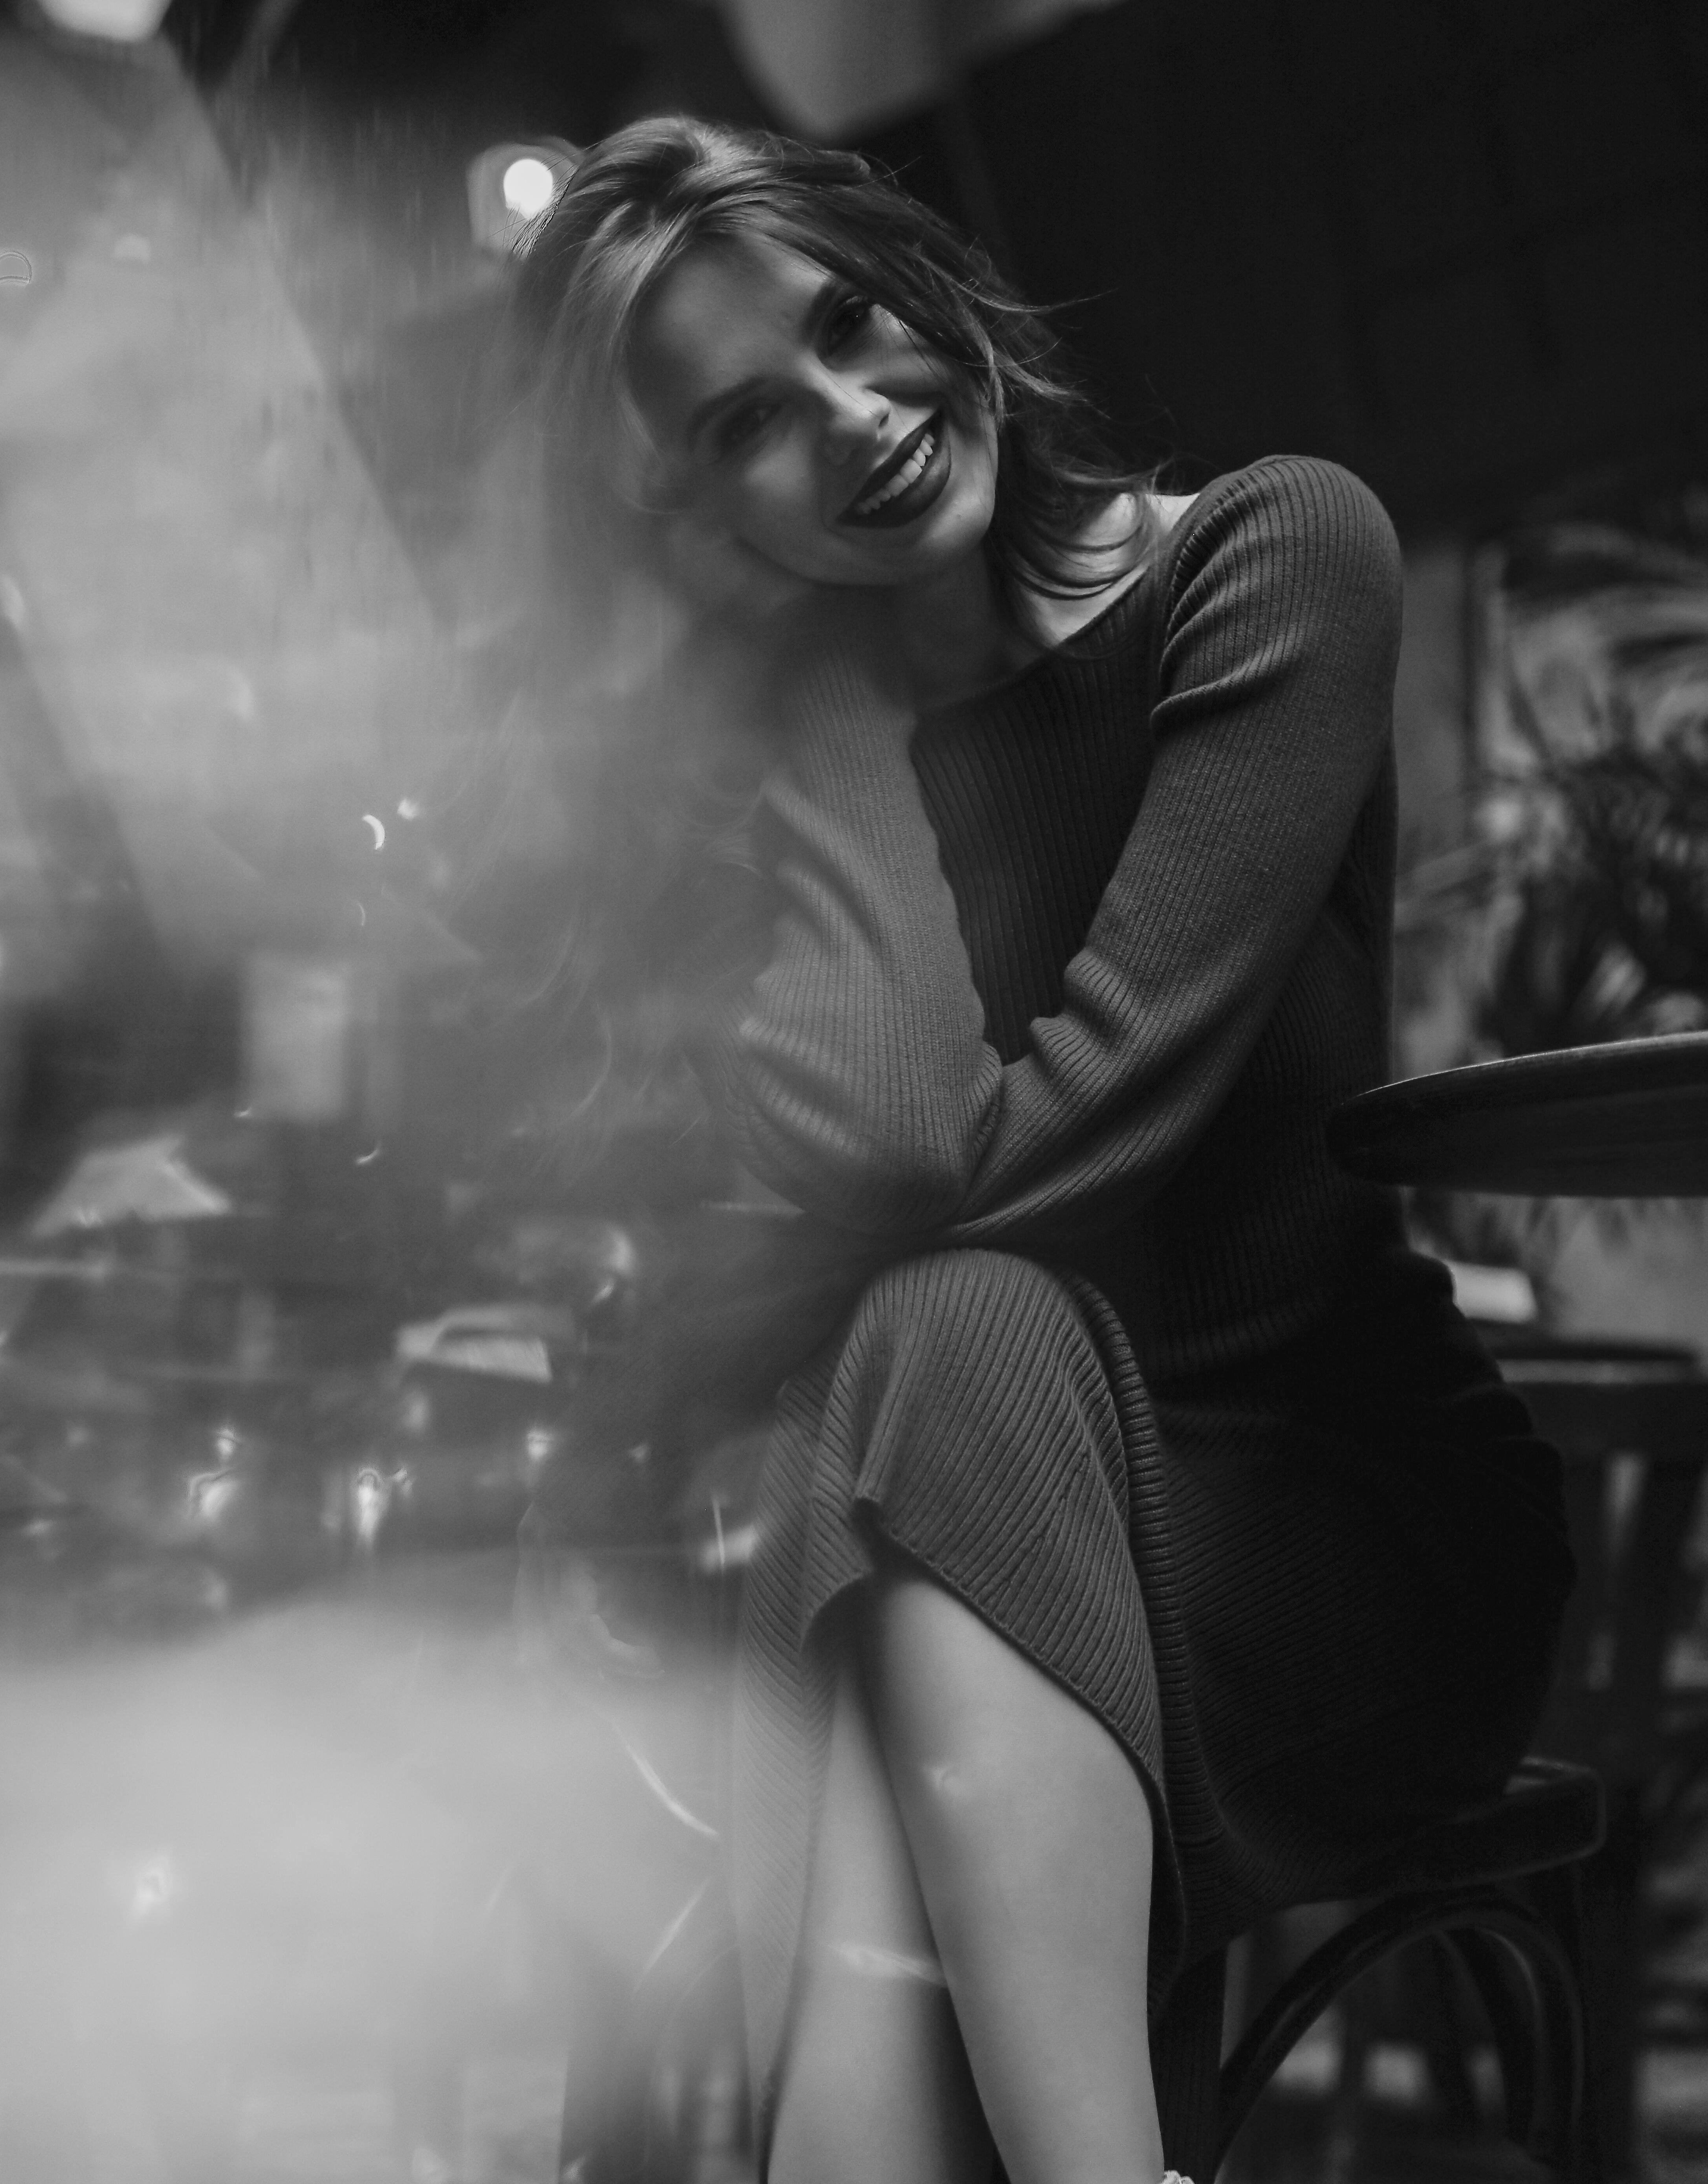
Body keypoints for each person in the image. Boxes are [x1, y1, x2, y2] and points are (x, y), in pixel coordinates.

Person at [505, 116, 1573, 2184]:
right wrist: (828, 715)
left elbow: (1036, 1155)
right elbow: (902, 1144)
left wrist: (798, 1301)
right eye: (746, 425)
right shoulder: (785, 769)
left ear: (926, 280)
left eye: (848, 321)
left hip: (1334, 1538)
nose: (852, 415)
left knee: (946, 1329)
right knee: (941, 1384)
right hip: (960, 1535)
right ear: (693, 525)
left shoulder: (1269, 558)